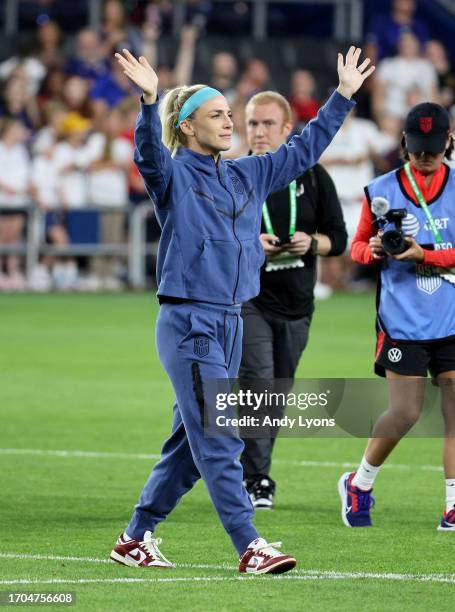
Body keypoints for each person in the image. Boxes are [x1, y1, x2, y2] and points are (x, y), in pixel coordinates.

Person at [111, 46, 373, 573]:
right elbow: (148, 155)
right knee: (218, 437)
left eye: (230, 113)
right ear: (186, 128)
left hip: (231, 320)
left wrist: (342, 96)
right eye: (217, 114)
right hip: (190, 323)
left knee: (189, 447)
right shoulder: (174, 177)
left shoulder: (245, 175)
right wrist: (148, 100)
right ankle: (249, 545)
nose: (230, 122)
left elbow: (302, 150)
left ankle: (135, 537)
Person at [338, 102, 455, 531]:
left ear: (448, 140)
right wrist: (369, 252)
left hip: (452, 314)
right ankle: (360, 483)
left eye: (433, 148)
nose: (425, 156)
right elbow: (358, 246)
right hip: (403, 317)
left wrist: (426, 254)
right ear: (404, 142)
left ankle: (453, 505)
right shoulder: (380, 189)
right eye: (417, 147)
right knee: (405, 413)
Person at [238, 91, 347, 508]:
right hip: (250, 299)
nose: (259, 132)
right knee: (257, 383)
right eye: (252, 123)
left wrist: (311, 243)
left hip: (298, 303)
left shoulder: (314, 176)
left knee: (277, 392)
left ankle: (250, 467)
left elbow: (338, 238)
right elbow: (216, 236)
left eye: (268, 124)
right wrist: (251, 244)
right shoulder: (235, 175)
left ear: (288, 129)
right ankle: (257, 478)